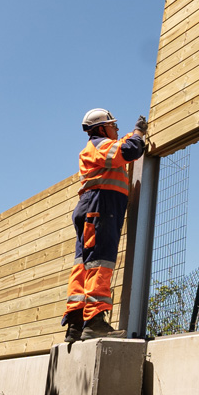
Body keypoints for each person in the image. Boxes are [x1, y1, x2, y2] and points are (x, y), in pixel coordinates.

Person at [63, 108, 149, 342]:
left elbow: (122, 146)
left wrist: (132, 135)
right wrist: (139, 133)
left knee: (84, 264)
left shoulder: (97, 148)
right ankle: (95, 321)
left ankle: (76, 323)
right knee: (101, 262)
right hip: (101, 206)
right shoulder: (101, 145)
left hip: (92, 206)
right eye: (113, 125)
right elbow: (130, 150)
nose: (117, 128)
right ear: (101, 128)